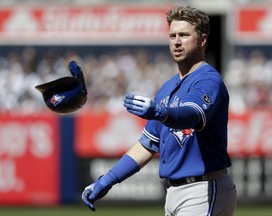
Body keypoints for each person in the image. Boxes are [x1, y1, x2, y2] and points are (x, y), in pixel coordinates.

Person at [82, 5, 237, 216]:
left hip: (203, 189)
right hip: (173, 192)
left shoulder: (208, 80)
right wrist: (107, 180)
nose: (177, 41)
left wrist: (162, 114)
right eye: (172, 35)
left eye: (184, 35)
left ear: (202, 40)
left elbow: (191, 115)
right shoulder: (167, 87)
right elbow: (147, 144)